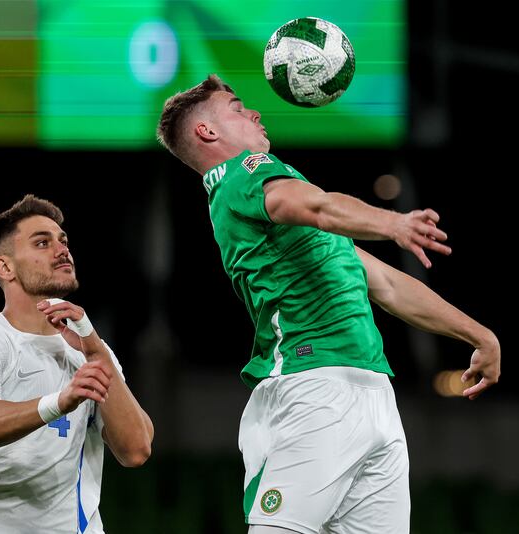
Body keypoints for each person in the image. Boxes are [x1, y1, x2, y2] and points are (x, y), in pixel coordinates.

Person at [156, 75, 500, 534]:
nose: (255, 113)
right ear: (207, 133)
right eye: (238, 108)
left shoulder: (282, 207)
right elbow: (317, 206)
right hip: (313, 388)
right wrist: (392, 223)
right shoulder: (242, 172)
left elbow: (388, 285)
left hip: (373, 393)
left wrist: (479, 335)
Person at [0, 195, 153, 534]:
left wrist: (96, 353)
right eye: (42, 243)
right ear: (5, 267)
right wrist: (59, 402)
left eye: (63, 241)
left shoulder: (92, 350)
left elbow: (136, 449)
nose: (62, 250)